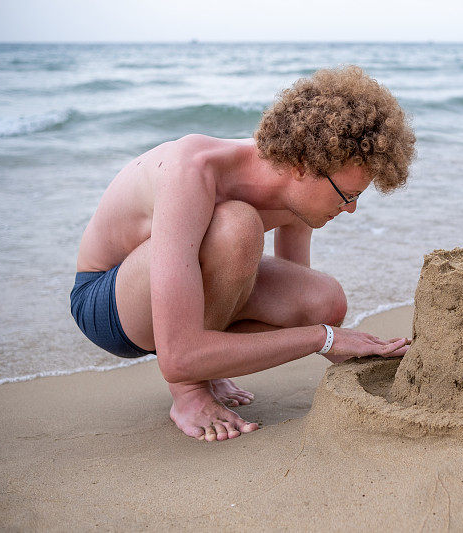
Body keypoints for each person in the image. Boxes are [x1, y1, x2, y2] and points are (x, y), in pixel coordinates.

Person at [70, 66, 416, 442]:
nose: (350, 209)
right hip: (110, 302)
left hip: (181, 299)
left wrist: (338, 341)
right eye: (347, 195)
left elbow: (296, 312)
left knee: (324, 301)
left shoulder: (297, 192)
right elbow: (177, 354)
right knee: (236, 227)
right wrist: (325, 339)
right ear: (302, 166)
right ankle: (189, 392)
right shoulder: (194, 169)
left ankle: (210, 358)